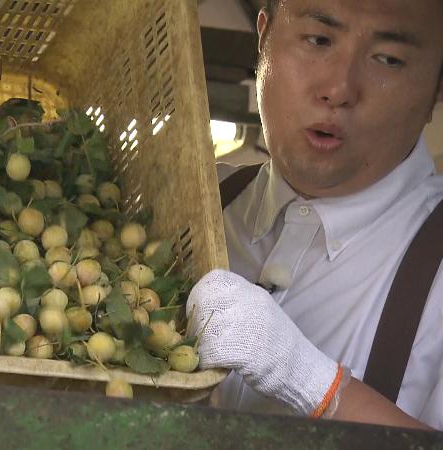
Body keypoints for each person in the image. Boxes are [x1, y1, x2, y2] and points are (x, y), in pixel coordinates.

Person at [189, 0, 443, 430]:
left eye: (388, 58)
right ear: (264, 38)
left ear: (437, 88)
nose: (339, 88)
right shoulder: (192, 202)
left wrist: (318, 385)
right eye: (319, 39)